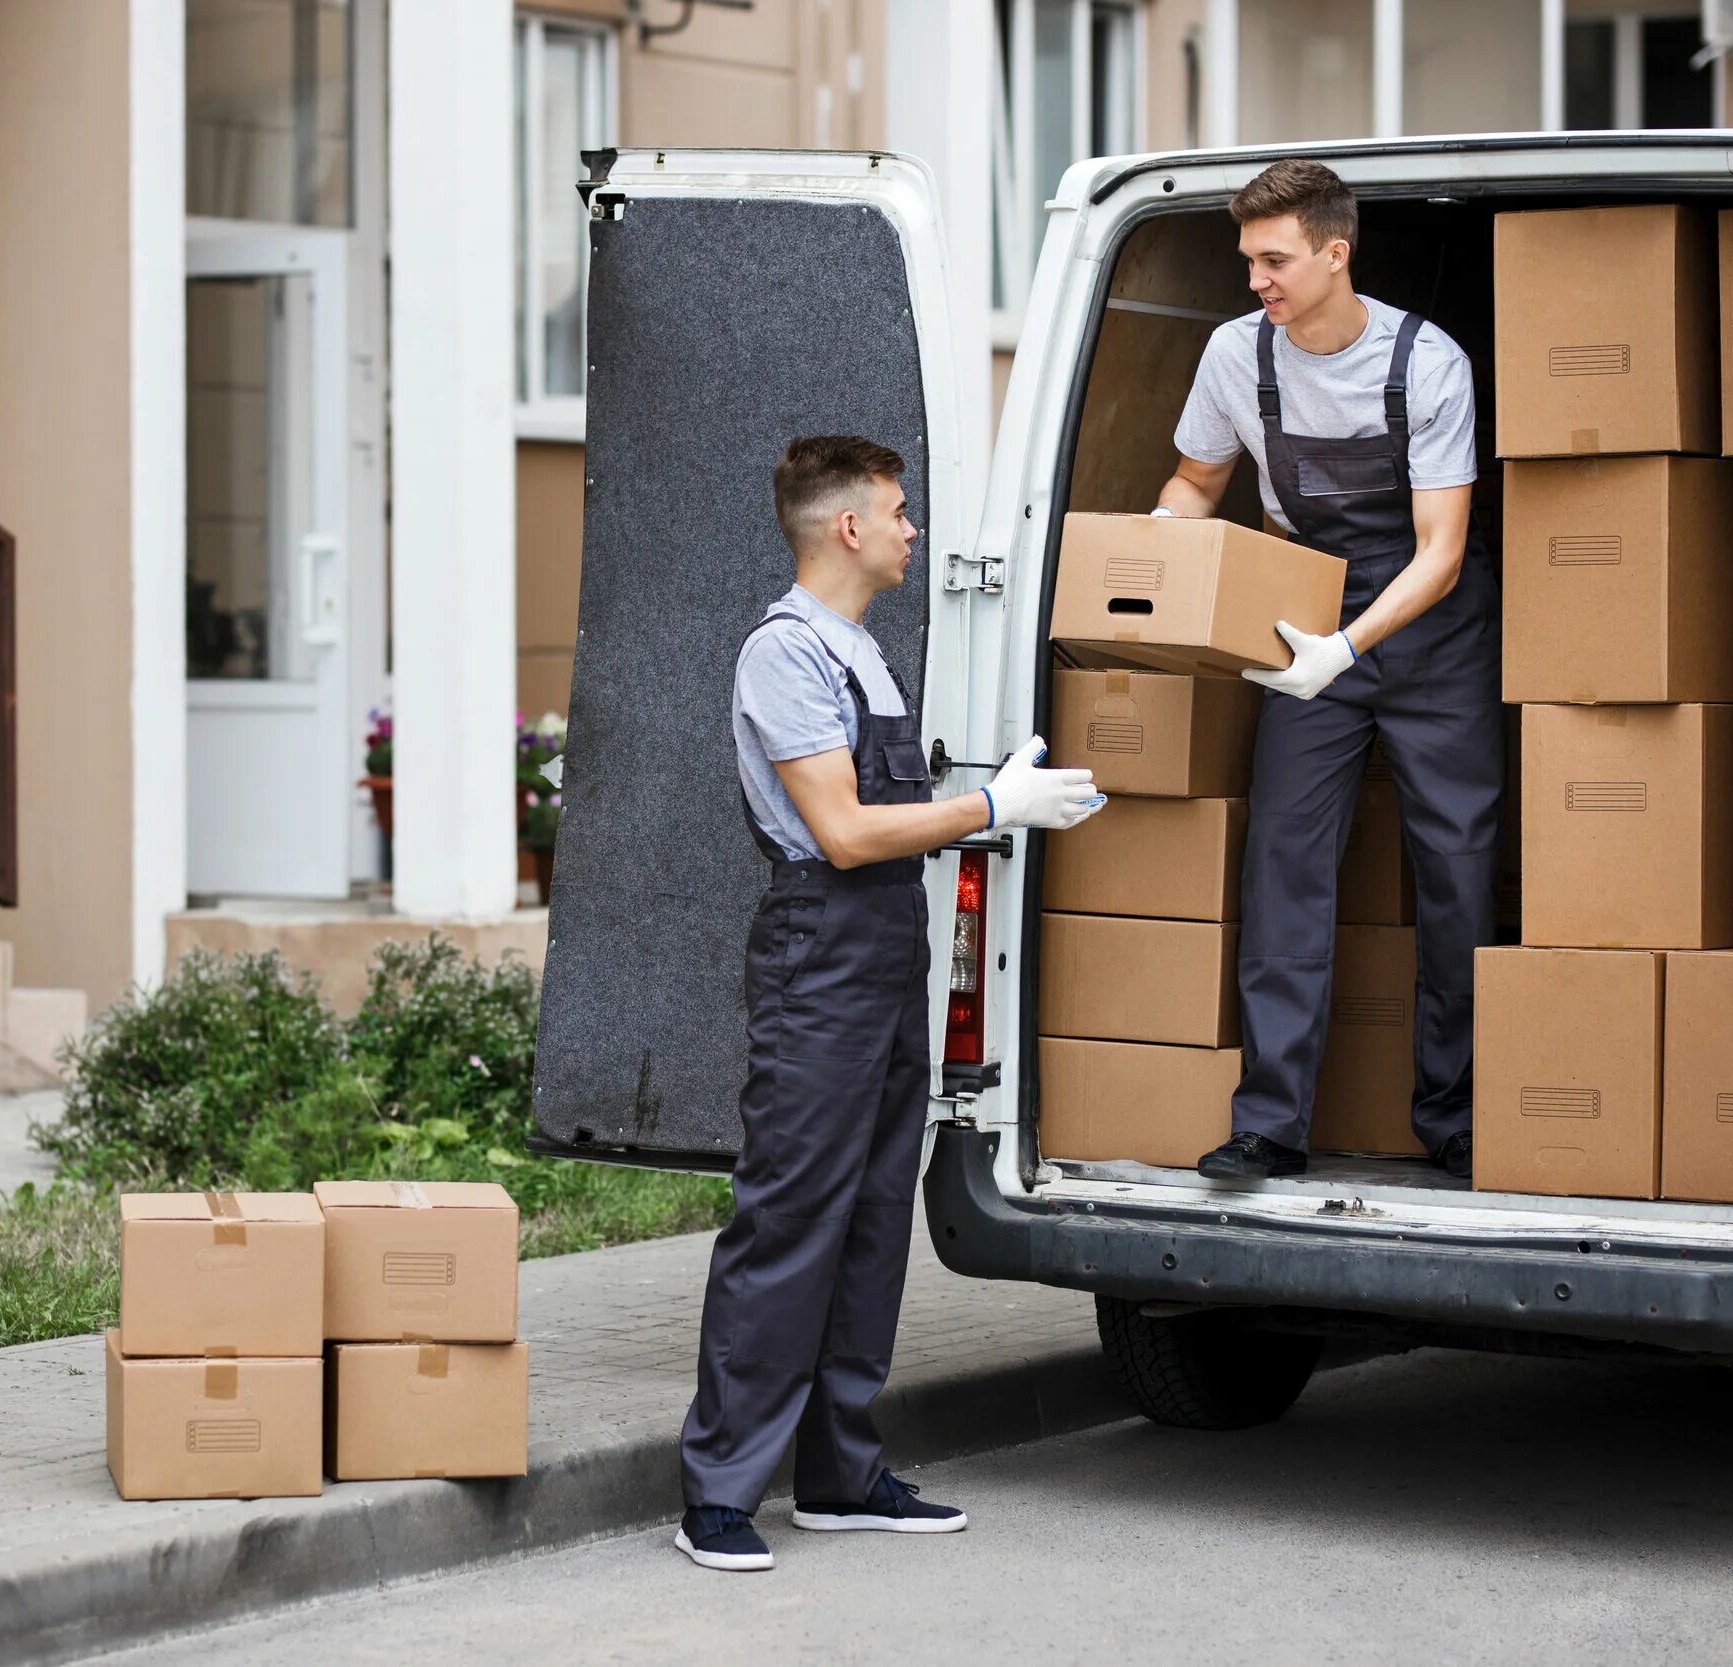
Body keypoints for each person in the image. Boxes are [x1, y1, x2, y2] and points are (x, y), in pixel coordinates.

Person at [675, 435, 1104, 1573]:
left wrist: (983, 799)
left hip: (881, 948)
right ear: (849, 528)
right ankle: (717, 1490)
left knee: (871, 1216)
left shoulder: (860, 650)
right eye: (900, 511)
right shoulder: (785, 652)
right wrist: (988, 805)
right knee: (790, 1217)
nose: (915, 529)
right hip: (820, 944)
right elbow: (848, 831)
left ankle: (841, 1473)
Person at [1152, 159, 1500, 1183]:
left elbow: (1439, 551)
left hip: (1431, 633)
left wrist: (1346, 649)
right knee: (1283, 869)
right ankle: (1269, 1123)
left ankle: (1455, 1114)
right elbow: (1193, 479)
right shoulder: (1232, 355)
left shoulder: (1426, 363)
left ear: (1334, 252)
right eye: (1247, 259)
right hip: (1303, 617)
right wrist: (1151, 553)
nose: (1256, 277)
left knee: (1458, 869)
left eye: (1275, 258)